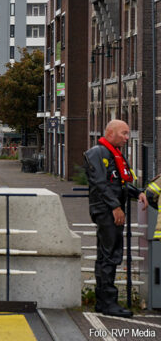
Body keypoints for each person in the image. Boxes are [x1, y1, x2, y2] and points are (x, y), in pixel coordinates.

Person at [83, 120, 148, 318]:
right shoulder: (97, 153)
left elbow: (118, 183)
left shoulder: (113, 154)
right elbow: (100, 183)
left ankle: (103, 302)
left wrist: (138, 193)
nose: (127, 138)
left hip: (109, 208)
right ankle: (109, 302)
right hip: (106, 210)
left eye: (128, 134)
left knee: (106, 254)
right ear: (110, 132)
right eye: (124, 133)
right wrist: (115, 207)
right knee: (110, 254)